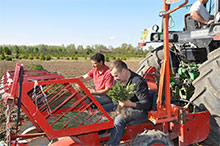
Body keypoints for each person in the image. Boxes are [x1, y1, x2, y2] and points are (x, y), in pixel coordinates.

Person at [107, 59, 153, 146]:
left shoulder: (138, 82)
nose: (115, 79)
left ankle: (112, 144)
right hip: (124, 107)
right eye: (113, 76)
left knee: (119, 120)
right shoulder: (118, 80)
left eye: (116, 76)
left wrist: (130, 104)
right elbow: (114, 97)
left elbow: (146, 104)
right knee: (104, 110)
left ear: (124, 71)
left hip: (139, 110)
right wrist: (116, 106)